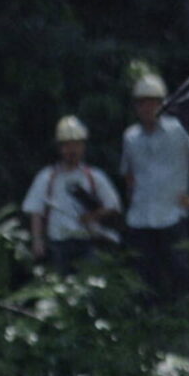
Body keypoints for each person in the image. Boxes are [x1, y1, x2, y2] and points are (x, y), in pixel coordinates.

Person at [119, 73, 189, 297]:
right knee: (144, 279)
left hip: (171, 214)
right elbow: (127, 171)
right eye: (142, 102)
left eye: (153, 102)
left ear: (162, 103)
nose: (147, 108)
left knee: (180, 273)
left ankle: (185, 313)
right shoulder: (131, 136)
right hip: (140, 218)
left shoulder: (179, 130)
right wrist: (131, 194)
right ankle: (148, 316)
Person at [23, 114, 122, 271]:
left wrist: (93, 216)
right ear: (60, 148)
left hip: (87, 244)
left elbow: (113, 206)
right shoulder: (47, 177)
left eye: (76, 144)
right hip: (57, 244)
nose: (72, 150)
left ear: (83, 146)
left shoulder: (94, 177)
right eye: (67, 145)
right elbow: (36, 212)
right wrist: (37, 241)